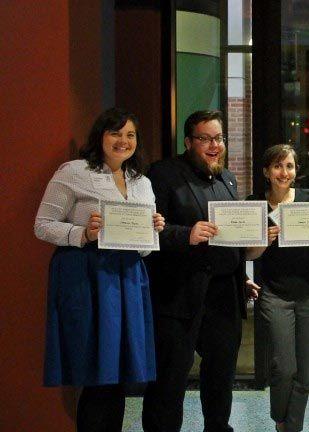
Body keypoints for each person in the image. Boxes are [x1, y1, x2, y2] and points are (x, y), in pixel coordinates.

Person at [34, 108, 165, 431]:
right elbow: (42, 225)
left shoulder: (142, 182)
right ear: (100, 137)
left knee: (119, 374)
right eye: (115, 133)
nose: (123, 141)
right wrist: (83, 233)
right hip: (88, 277)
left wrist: (153, 231)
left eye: (130, 135)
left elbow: (145, 248)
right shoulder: (74, 172)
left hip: (129, 278)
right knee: (97, 374)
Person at [141, 110, 259, 432]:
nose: (214, 145)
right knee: (170, 377)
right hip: (179, 293)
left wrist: (241, 276)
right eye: (205, 139)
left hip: (223, 293)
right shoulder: (163, 174)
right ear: (188, 142)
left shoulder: (227, 179)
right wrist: (186, 234)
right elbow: (147, 231)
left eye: (218, 138)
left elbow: (229, 238)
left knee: (221, 375)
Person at [246, 144, 309, 432]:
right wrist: (264, 239)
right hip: (275, 294)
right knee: (284, 366)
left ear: (296, 170)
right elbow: (249, 254)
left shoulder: (308, 198)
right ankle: (280, 419)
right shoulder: (255, 204)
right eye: (277, 166)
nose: (283, 172)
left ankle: (292, 427)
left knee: (304, 371)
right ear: (266, 171)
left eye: (289, 166)